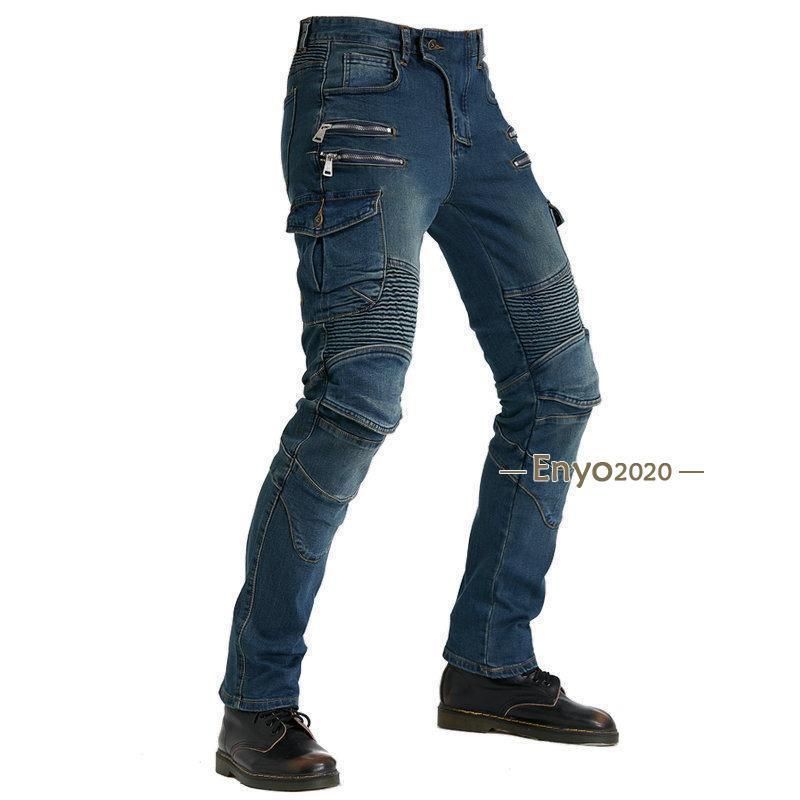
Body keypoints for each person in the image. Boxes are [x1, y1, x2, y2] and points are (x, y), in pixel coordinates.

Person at [216, 16, 617, 792]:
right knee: (353, 403)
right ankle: (256, 703)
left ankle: (489, 666)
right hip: (360, 88)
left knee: (558, 386)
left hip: (470, 87)